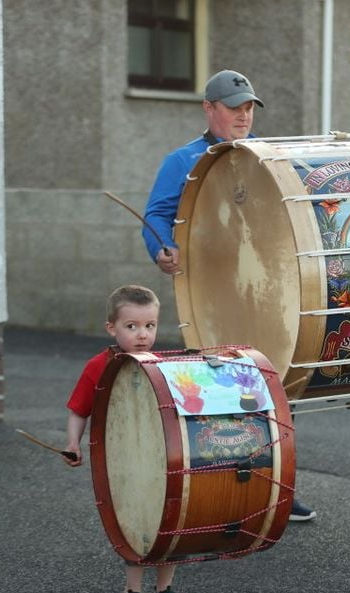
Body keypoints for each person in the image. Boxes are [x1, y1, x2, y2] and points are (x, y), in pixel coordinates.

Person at [141, 69, 316, 522]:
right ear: (208, 108)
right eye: (234, 107)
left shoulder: (268, 157)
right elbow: (157, 214)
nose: (243, 115)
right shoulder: (182, 161)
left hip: (269, 296)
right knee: (224, 395)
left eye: (248, 107)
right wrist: (162, 247)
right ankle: (225, 493)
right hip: (212, 298)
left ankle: (277, 489)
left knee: (274, 392)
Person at [64, 285, 197, 593]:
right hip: (121, 464)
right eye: (132, 326)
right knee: (135, 522)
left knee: (169, 522)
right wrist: (72, 443)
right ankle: (131, 592)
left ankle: (165, 591)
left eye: (150, 326)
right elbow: (79, 409)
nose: (142, 335)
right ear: (112, 328)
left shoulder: (159, 364)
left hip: (160, 461)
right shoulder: (99, 365)